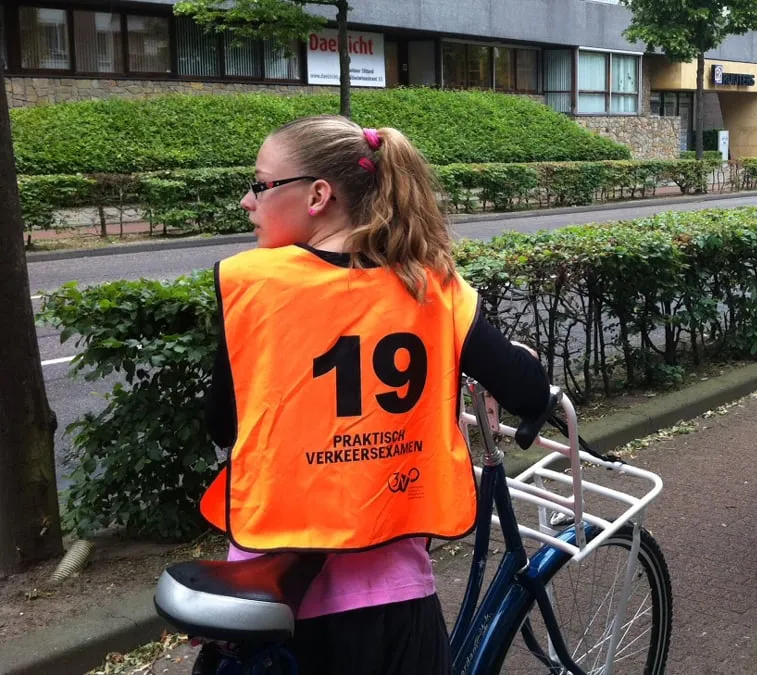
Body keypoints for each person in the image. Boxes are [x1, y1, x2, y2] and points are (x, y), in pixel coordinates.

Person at [196, 115, 550, 674]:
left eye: (260, 184)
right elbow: (529, 391)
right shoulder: (432, 287)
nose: (247, 200)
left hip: (276, 600)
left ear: (318, 195)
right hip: (393, 607)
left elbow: (222, 425)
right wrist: (526, 366)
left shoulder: (256, 286)